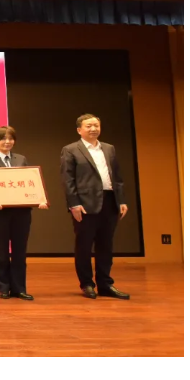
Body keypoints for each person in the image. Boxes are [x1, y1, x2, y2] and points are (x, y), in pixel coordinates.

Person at [60, 114, 129, 300]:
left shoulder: (109, 148)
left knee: (106, 245)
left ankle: (105, 284)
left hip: (110, 201)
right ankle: (87, 284)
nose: (93, 129)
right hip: (85, 204)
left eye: (96, 125)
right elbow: (67, 180)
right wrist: (74, 204)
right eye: (89, 126)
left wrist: (121, 200)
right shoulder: (71, 150)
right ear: (79, 130)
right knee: (84, 245)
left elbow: (117, 177)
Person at [0, 126, 48, 300]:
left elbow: (29, 182)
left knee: (19, 252)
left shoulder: (21, 159)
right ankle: (3, 287)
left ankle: (19, 288)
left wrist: (39, 199)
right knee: (1, 252)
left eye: (10, 138)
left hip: (21, 213)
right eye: (3, 139)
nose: (7, 142)